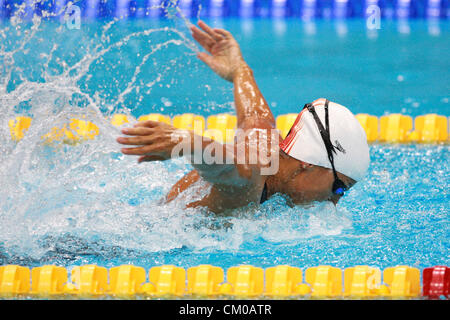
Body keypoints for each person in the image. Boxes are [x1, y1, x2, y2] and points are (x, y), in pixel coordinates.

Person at [117, 21, 370, 214]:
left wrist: (239, 70)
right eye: (339, 188)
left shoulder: (268, 146)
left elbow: (256, 117)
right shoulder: (253, 179)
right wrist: (186, 142)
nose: (334, 202)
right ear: (309, 163)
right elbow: (228, 168)